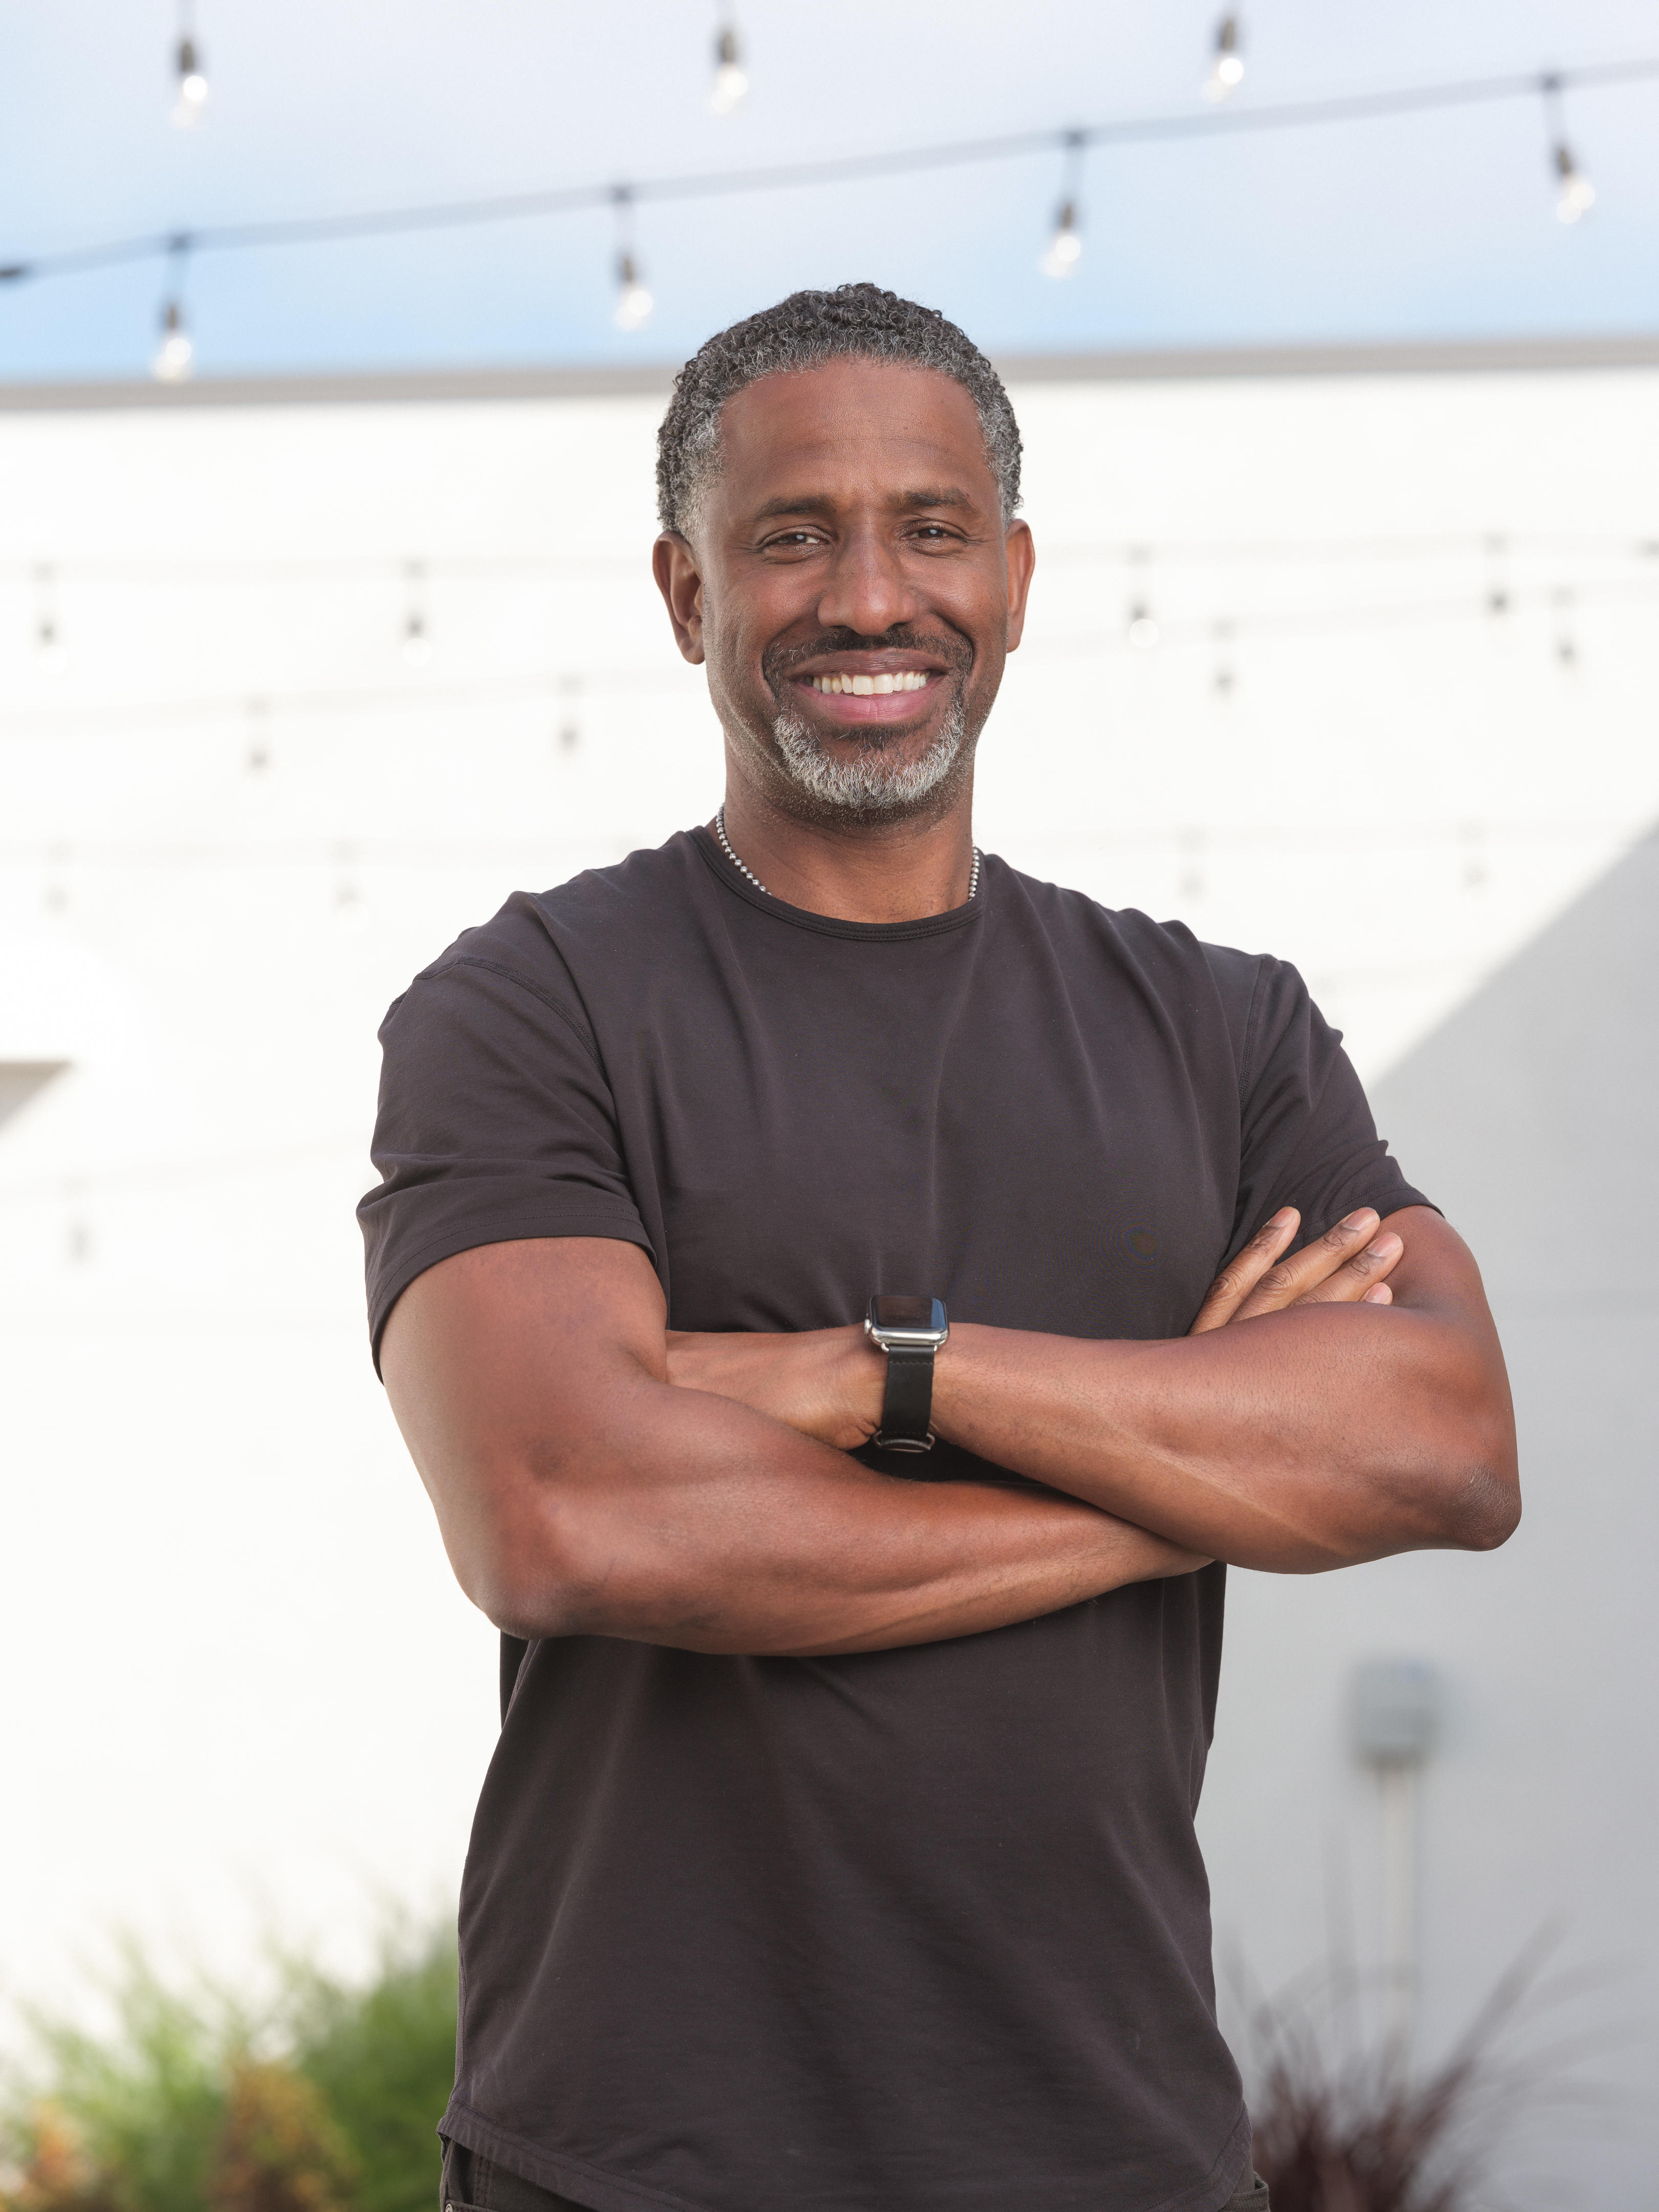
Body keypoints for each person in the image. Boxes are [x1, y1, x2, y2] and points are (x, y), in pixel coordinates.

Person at [359, 283, 1518, 2212]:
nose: (871, 599)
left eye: (933, 528)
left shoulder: (1220, 1031)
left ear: (1019, 575)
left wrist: (887, 1369)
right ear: (684, 593)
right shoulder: (535, 1004)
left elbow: (1451, 1442)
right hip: (638, 2161)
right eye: (792, 535)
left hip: (1115, 2149)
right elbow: (568, 1517)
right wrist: (1194, 1478)